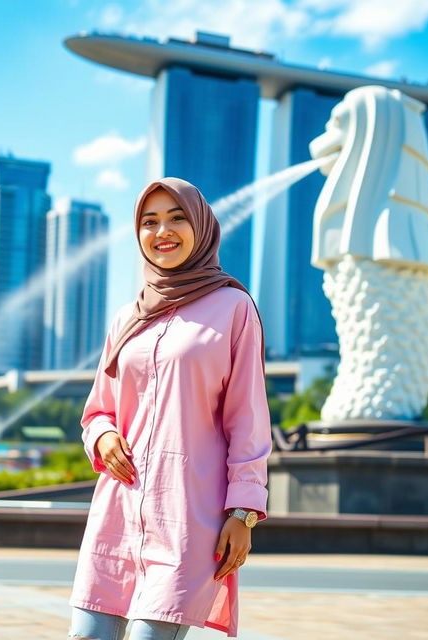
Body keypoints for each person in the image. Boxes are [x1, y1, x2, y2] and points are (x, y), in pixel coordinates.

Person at [68, 177, 272, 639]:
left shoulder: (234, 307)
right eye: (150, 221)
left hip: (188, 518)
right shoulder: (128, 316)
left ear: (201, 227)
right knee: (86, 634)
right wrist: (101, 436)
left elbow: (249, 420)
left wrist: (243, 512)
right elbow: (98, 409)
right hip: (119, 510)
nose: (163, 230)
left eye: (177, 218)